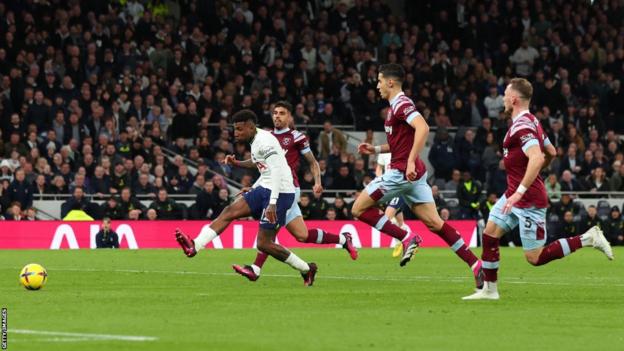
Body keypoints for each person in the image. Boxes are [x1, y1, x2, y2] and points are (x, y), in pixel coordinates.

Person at [463, 78, 613, 300]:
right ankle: (490, 291)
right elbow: (551, 151)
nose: (503, 98)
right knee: (490, 234)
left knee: (534, 257)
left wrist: (522, 189)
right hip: (513, 194)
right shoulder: (532, 121)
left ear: (513, 99)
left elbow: (537, 156)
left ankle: (589, 238)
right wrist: (525, 181)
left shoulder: (522, 126)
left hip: (528, 199)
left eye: (505, 94)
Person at [354, 64, 484, 289]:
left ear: (391, 82)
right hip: (414, 174)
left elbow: (423, 128)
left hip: (400, 173)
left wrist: (411, 160)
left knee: (358, 209)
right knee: (435, 223)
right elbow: (399, 144)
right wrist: (374, 150)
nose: (377, 86)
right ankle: (475, 264)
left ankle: (406, 237)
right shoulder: (395, 107)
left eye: (379, 81)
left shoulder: (402, 103)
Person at [175, 110, 318, 286]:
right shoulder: (255, 139)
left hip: (280, 193)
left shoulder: (265, 141)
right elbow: (257, 162)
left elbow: (277, 173)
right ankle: (194, 246)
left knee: (264, 244)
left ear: (251, 127)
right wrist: (237, 164)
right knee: (229, 211)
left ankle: (307, 268)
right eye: (235, 129)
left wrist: (272, 203)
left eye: (240, 129)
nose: (236, 133)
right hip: (265, 187)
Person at [225, 101, 357, 281]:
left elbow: (312, 161)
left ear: (290, 117)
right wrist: (238, 164)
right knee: (302, 235)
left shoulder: (297, 137)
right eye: (275, 113)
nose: (277, 116)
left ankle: (255, 268)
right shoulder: (265, 136)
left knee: (268, 232)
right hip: (272, 186)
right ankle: (343, 239)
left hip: (287, 189)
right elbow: (258, 163)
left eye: (282, 113)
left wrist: (317, 181)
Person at [375, 152, 410, 257]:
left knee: (387, 218)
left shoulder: (403, 150)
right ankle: (410, 241)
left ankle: (400, 241)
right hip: (387, 189)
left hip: (400, 188)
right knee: (400, 222)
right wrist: (380, 180)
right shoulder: (383, 153)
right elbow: (378, 169)